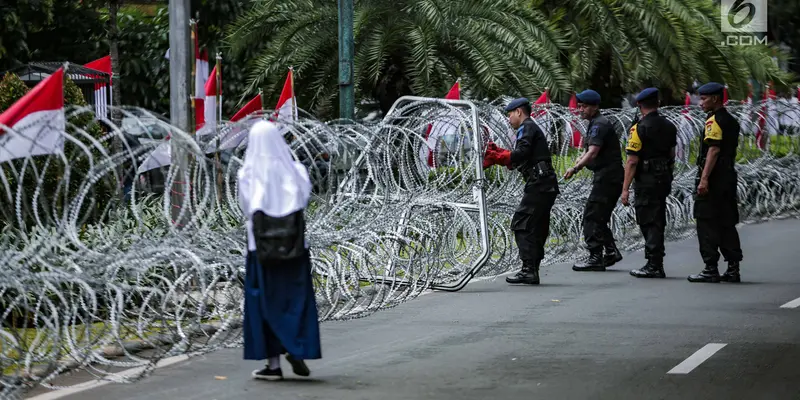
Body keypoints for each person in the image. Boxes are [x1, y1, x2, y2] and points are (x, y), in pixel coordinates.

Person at [238, 120, 322, 380]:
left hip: (261, 250)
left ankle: (273, 366)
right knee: (295, 301)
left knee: (262, 304)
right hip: (295, 248)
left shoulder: (248, 174)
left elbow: (247, 207)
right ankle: (296, 347)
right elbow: (304, 198)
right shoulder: (295, 170)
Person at [483, 97, 559, 285]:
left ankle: (528, 269)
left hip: (539, 184)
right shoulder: (531, 128)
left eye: (510, 114)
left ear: (519, 112)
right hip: (545, 184)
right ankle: (532, 269)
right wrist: (504, 155)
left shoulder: (526, 127)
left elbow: (522, 153)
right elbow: (523, 157)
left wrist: (500, 156)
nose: (509, 119)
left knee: (521, 223)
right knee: (537, 226)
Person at [687, 82, 743, 283]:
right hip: (727, 177)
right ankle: (733, 267)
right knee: (726, 221)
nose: (700, 102)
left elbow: (714, 150)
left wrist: (704, 179)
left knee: (707, 221)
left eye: (703, 98)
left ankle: (710, 267)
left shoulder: (714, 121)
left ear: (716, 99)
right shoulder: (731, 120)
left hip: (714, 179)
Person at [563, 89, 624, 271]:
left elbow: (593, 151)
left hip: (607, 178)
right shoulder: (595, 123)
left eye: (584, 106)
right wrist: (579, 159)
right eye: (579, 106)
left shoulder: (599, 125)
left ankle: (595, 256)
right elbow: (588, 149)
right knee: (599, 216)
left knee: (592, 215)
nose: (580, 109)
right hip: (608, 177)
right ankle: (611, 251)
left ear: (595, 107)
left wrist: (575, 168)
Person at [621, 88, 677, 278]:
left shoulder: (639, 128)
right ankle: (655, 261)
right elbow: (671, 155)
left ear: (639, 105)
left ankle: (654, 264)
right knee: (658, 217)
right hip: (663, 177)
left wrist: (625, 189)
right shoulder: (669, 126)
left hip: (646, 179)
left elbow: (632, 160)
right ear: (658, 103)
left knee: (648, 219)